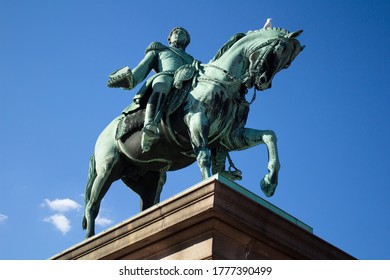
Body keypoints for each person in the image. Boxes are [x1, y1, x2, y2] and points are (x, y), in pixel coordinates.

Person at [109, 27, 194, 152]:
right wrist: (131, 78)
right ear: (169, 38)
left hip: (186, 83)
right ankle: (150, 125)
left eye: (183, 34)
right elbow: (144, 66)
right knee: (163, 83)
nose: (178, 34)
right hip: (166, 76)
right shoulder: (160, 49)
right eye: (175, 32)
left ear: (186, 41)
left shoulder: (192, 60)